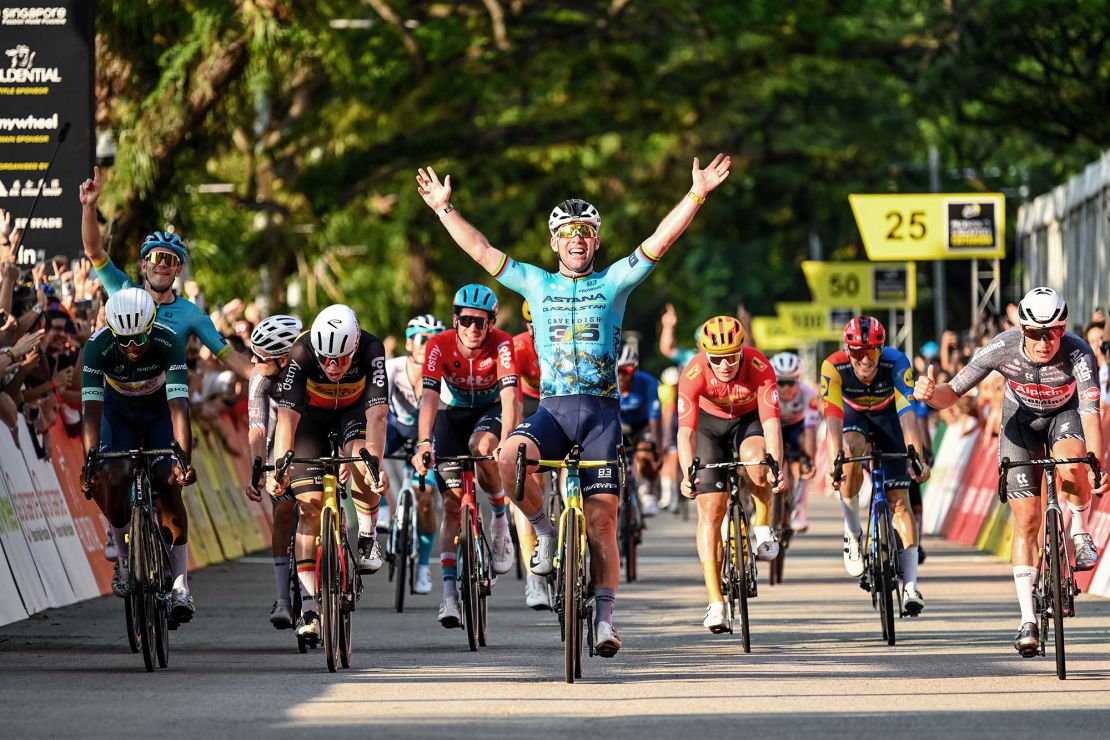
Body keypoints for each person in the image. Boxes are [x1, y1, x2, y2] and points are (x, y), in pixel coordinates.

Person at [416, 153, 731, 656]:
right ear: (555, 243)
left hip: (603, 414)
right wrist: (443, 210)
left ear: (596, 240)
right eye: (567, 233)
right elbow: (482, 251)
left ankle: (605, 620)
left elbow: (660, 240)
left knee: (604, 523)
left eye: (585, 232)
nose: (577, 240)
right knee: (507, 459)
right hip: (555, 410)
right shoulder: (536, 283)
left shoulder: (615, 282)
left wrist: (696, 193)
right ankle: (542, 532)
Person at [915, 288, 1108, 656]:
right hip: (1018, 423)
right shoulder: (1001, 346)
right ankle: (1027, 620)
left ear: (1063, 329)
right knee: (1027, 521)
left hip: (1064, 416)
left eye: (1052, 332)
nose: (1043, 340)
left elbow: (1090, 411)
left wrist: (1095, 461)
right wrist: (929, 394)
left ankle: (1080, 532)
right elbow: (953, 393)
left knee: (1074, 462)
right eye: (1035, 333)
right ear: (1021, 330)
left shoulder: (1079, 352)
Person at [268, 304, 391, 639]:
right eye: (326, 359)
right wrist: (280, 467)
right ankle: (308, 605)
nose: (333, 366)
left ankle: (367, 535)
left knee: (363, 461)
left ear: (354, 346)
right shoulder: (303, 351)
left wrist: (374, 463)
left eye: (341, 359)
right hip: (312, 421)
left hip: (354, 414)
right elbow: (287, 419)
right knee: (307, 508)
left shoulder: (371, 348)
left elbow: (378, 415)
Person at [80, 288, 198, 622]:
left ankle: (180, 585)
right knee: (113, 476)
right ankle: (125, 557)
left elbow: (179, 408)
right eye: (124, 341)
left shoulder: (168, 341)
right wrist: (90, 461)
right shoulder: (97, 346)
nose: (132, 349)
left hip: (161, 412)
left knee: (168, 481)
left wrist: (183, 461)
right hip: (119, 415)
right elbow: (90, 410)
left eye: (139, 340)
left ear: (151, 326)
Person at [412, 285, 521, 627]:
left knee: (482, 448)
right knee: (450, 507)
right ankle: (448, 598)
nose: (474, 328)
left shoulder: (502, 344)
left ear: (492, 323)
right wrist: (423, 442)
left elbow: (510, 398)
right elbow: (429, 397)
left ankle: (500, 519)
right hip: (452, 415)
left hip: (490, 412)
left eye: (482, 322)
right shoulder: (438, 345)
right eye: (467, 321)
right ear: (455, 320)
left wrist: (506, 440)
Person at [676, 316, 786, 633]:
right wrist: (687, 474)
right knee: (711, 510)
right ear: (706, 355)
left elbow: (771, 424)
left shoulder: (759, 366)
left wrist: (776, 465)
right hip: (709, 429)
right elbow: (685, 433)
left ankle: (762, 525)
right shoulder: (693, 372)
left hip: (748, 421)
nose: (724, 365)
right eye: (717, 359)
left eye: (731, 357)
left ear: (742, 351)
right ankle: (715, 602)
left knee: (757, 460)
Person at [821, 316, 931, 615]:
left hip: (889, 419)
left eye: (871, 351)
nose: (864, 359)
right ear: (847, 350)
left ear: (881, 349)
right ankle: (853, 533)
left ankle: (910, 585)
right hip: (853, 417)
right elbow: (832, 419)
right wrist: (835, 462)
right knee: (849, 451)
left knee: (900, 503)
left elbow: (908, 415)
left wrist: (915, 457)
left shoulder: (896, 362)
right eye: (856, 352)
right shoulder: (834, 366)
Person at [241, 314, 303, 629]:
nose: (252, 360)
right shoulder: (261, 376)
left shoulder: (308, 369)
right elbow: (257, 427)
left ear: (283, 358)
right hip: (280, 435)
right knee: (283, 511)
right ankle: (282, 597)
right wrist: (258, 471)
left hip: (312, 432)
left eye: (260, 356)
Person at [384, 313, 447, 596]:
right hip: (395, 429)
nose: (427, 345)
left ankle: (423, 567)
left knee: (425, 500)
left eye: (433, 341)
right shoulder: (391, 369)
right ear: (409, 344)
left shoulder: (443, 373)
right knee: (365, 451)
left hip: (427, 436)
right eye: (421, 339)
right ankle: (382, 513)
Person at [512, 300, 552, 610]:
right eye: (530, 324)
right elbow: (509, 396)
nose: (535, 330)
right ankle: (534, 579)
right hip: (528, 404)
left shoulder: (569, 337)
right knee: (529, 475)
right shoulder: (519, 347)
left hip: (562, 403)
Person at [769, 352, 818, 531]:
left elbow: (810, 430)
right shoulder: (767, 393)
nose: (786, 388)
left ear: (799, 381)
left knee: (806, 464)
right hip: (775, 427)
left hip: (798, 428)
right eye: (781, 382)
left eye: (791, 382)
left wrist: (809, 460)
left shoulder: (809, 395)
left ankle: (800, 511)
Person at [617, 343, 664, 515]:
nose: (621, 377)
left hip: (642, 424)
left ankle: (648, 493)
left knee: (646, 454)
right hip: (619, 424)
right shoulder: (607, 385)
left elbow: (655, 416)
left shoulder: (648, 382)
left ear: (634, 370)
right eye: (617, 371)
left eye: (626, 371)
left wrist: (657, 448)